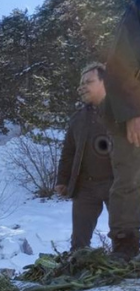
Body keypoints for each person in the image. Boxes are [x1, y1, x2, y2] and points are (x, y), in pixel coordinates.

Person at [55, 63, 113, 251]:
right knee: (79, 244)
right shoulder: (77, 118)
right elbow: (68, 152)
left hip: (118, 184)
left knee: (125, 235)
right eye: (81, 83)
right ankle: (80, 268)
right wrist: (62, 180)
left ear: (105, 82)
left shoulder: (123, 112)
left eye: (89, 81)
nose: (82, 87)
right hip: (86, 186)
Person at [102, 0, 140, 260]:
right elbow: (119, 66)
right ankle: (124, 244)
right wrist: (133, 113)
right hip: (128, 110)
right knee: (129, 176)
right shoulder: (135, 15)